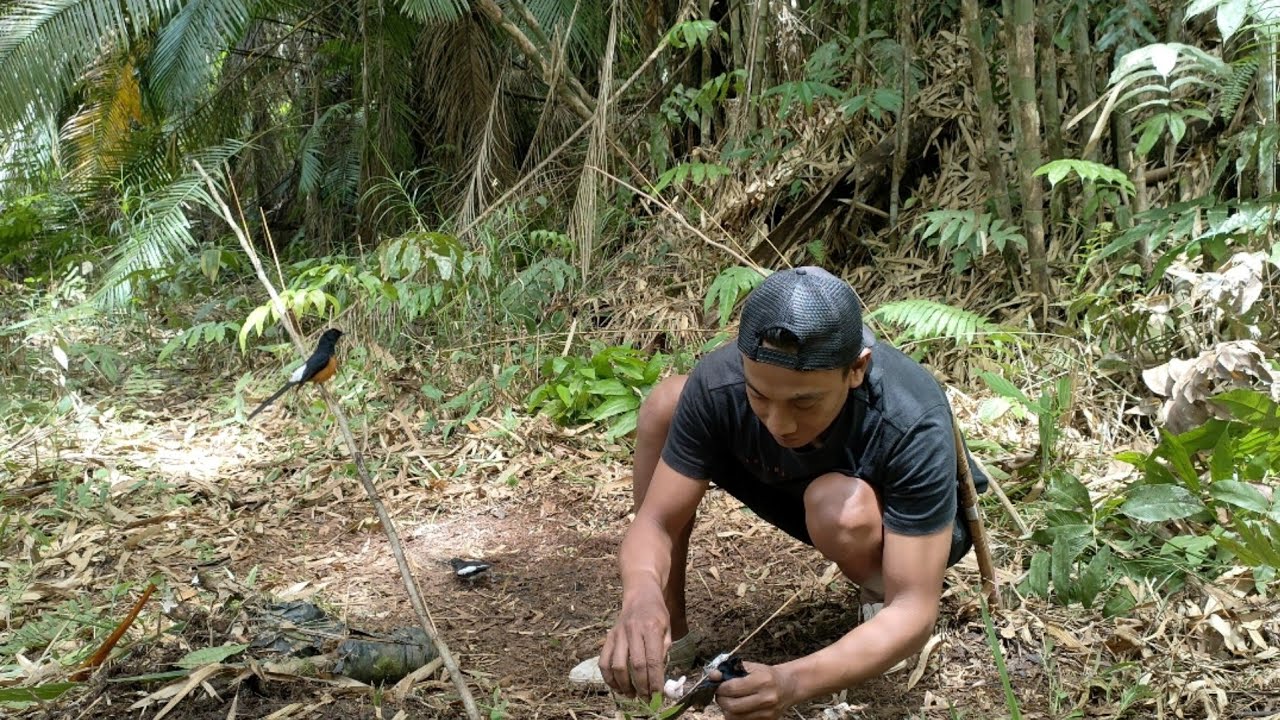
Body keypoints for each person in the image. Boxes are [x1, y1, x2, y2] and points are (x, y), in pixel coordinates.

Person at [569, 266, 989, 719]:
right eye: (759, 396)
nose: (778, 423)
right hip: (795, 485)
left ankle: (875, 596)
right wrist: (641, 595)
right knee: (668, 404)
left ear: (856, 369)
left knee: (838, 508)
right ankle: (665, 636)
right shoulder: (721, 380)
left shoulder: (911, 417)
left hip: (898, 529)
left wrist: (791, 681)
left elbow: (914, 608)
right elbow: (655, 522)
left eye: (804, 402)